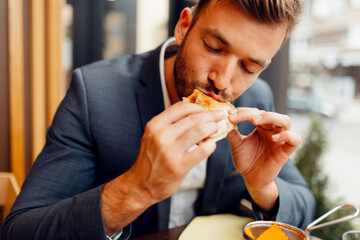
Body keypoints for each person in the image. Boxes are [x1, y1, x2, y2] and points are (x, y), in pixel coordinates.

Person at [2, 0, 316, 239]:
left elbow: (304, 204)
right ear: (183, 27)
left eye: (249, 67)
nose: (223, 82)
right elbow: (20, 230)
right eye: (214, 47)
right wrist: (138, 188)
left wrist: (263, 187)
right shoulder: (94, 94)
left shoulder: (256, 97)